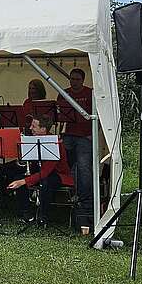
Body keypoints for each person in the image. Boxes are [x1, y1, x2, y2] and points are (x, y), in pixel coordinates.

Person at [7, 115, 73, 223]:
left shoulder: (55, 143)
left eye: (34, 126)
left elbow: (46, 172)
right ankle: (25, 213)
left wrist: (23, 181)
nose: (30, 128)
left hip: (58, 175)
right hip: (42, 173)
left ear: (43, 129)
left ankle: (44, 215)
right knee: (17, 177)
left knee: (45, 182)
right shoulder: (32, 140)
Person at [55, 68, 93, 226]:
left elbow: (96, 114)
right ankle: (64, 193)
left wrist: (93, 133)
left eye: (77, 79)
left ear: (83, 80)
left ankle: (84, 199)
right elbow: (57, 113)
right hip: (68, 134)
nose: (74, 81)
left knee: (83, 167)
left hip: (84, 136)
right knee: (63, 163)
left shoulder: (90, 93)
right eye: (72, 79)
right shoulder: (63, 93)